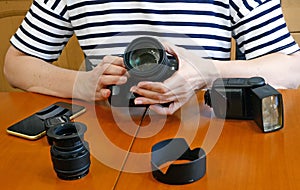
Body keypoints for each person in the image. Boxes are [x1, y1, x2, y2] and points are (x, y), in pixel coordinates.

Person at [4, 0, 300, 115]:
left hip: (209, 131)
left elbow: (292, 68)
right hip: (107, 126)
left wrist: (205, 73)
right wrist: (82, 83)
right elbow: (15, 65)